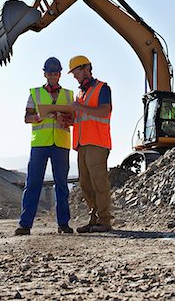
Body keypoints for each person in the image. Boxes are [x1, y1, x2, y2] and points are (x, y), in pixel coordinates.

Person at [15, 57, 74, 236]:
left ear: (60, 74)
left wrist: (64, 119)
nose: (53, 76)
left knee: (62, 185)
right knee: (33, 183)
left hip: (61, 144)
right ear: (45, 74)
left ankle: (63, 224)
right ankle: (25, 225)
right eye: (50, 73)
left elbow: (73, 119)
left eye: (55, 73)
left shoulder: (69, 95)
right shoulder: (35, 93)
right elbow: (27, 117)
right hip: (40, 144)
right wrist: (38, 118)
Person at [68, 55, 113, 233]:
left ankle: (105, 220)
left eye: (76, 72)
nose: (74, 76)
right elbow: (81, 118)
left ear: (86, 69)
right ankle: (94, 219)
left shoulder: (102, 88)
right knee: (85, 184)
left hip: (97, 143)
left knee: (99, 182)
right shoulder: (80, 94)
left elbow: (104, 111)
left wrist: (80, 109)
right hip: (82, 144)